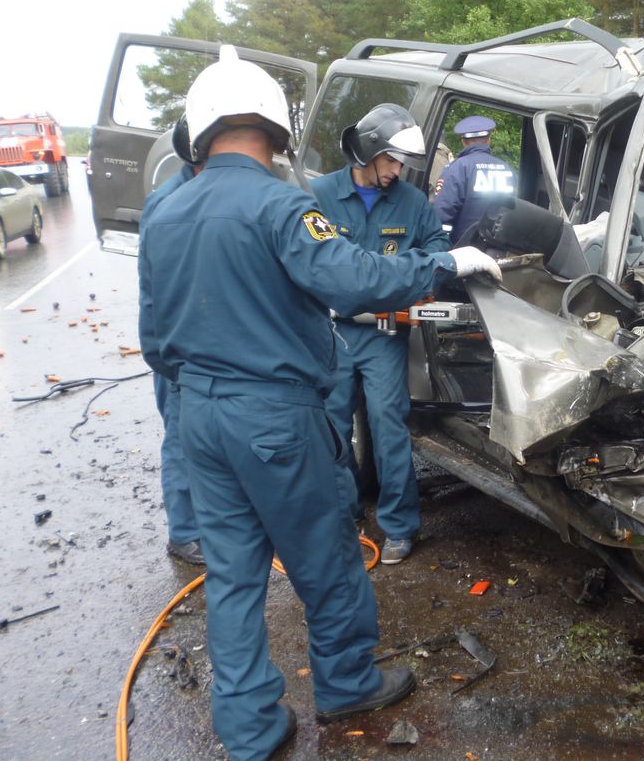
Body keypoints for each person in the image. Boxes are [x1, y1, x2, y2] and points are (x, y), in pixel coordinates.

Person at [138, 46, 501, 760]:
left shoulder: (165, 209)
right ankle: (343, 684)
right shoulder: (280, 205)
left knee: (235, 576)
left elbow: (154, 339)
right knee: (329, 558)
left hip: (197, 416)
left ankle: (248, 728)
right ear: (274, 130)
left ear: (202, 130)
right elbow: (355, 280)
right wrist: (442, 263)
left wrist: (196, 394)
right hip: (274, 417)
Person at [312, 104, 450, 565]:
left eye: (402, 163)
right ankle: (345, 513)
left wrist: (414, 278)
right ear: (367, 152)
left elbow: (438, 251)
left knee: (389, 425)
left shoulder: (411, 203)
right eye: (390, 161)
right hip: (330, 333)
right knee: (331, 427)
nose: (397, 171)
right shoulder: (319, 196)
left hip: (384, 332)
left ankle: (399, 525)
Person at [140, 115, 204, 566]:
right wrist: (167, 359)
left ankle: (210, 523)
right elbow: (155, 293)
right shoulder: (171, 204)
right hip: (179, 351)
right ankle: (184, 533)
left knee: (207, 441)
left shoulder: (207, 193)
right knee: (182, 440)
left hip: (210, 346)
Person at [432, 115, 516, 243]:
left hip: (464, 252)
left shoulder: (457, 168)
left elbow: (440, 214)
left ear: (464, 142)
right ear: (489, 140)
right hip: (500, 253)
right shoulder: (508, 169)